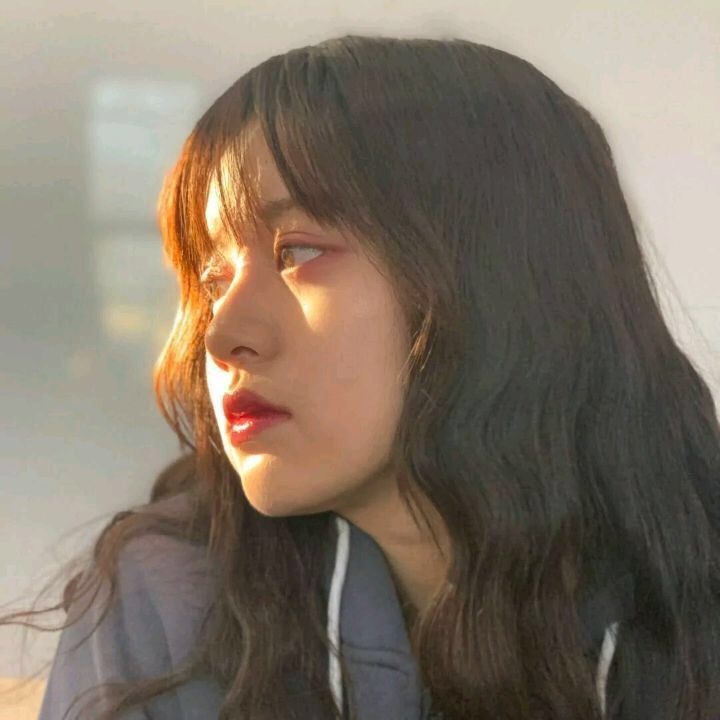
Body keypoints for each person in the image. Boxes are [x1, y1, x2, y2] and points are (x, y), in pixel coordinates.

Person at [3, 32, 720, 720]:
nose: (221, 336)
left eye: (298, 252)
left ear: (498, 278)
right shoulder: (165, 599)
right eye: (213, 279)